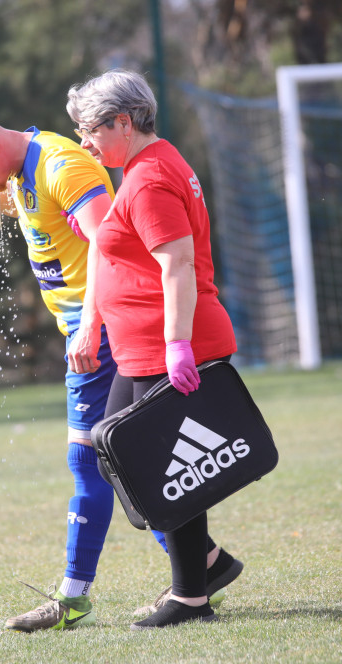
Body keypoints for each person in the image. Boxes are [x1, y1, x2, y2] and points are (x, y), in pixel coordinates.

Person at [0, 109, 145, 632]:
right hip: (93, 330)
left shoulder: (60, 165)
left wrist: (90, 324)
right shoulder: (23, 167)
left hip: (104, 331)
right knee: (121, 461)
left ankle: (73, 595)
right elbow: (17, 203)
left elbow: (108, 243)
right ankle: (201, 564)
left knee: (89, 460)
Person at [64, 69, 243, 629]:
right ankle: (206, 565)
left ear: (124, 121)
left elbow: (178, 265)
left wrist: (177, 345)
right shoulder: (146, 165)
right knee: (119, 449)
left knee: (164, 465)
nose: (85, 143)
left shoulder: (150, 178)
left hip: (167, 347)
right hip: (138, 347)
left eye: (90, 130)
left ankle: (191, 594)